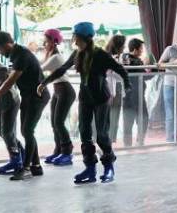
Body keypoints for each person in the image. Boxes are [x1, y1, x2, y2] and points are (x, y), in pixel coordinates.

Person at [40, 22, 131, 184]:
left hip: (101, 99)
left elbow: (120, 69)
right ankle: (90, 168)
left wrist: (127, 84)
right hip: (85, 99)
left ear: (82, 37)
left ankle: (109, 167)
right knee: (84, 134)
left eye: (75, 35)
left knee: (102, 136)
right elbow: (62, 70)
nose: (73, 39)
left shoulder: (100, 54)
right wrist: (45, 82)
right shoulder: (76, 54)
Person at [0, 31, 46, 180]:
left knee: (27, 131)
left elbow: (10, 81)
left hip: (38, 96)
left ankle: (26, 168)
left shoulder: (22, 55)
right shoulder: (15, 55)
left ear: (7, 44)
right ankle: (36, 166)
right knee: (26, 131)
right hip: (28, 96)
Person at [38, 30, 76, 164]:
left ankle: (67, 152)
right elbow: (40, 63)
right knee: (54, 123)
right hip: (57, 90)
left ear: (54, 42)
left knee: (58, 122)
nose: (44, 44)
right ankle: (58, 151)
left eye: (46, 41)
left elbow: (39, 68)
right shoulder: (50, 55)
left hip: (65, 90)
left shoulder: (55, 57)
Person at [121, 38, 149, 146]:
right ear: (135, 49)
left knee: (132, 121)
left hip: (131, 95)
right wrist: (149, 67)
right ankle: (136, 142)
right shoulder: (134, 61)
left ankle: (131, 144)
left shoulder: (125, 58)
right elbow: (145, 75)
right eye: (141, 49)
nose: (142, 51)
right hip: (134, 96)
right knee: (142, 119)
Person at [103, 35, 127, 144]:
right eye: (123, 45)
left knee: (114, 116)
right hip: (110, 88)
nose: (124, 47)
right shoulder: (110, 57)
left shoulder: (116, 57)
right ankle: (107, 141)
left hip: (115, 88)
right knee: (109, 116)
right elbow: (116, 74)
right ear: (118, 46)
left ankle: (110, 141)